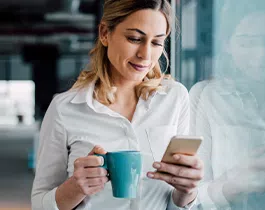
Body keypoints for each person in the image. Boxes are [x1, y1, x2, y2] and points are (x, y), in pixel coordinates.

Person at [31, 0, 204, 209]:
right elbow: (39, 204)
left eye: (157, 42)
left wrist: (188, 191)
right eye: (134, 38)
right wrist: (75, 187)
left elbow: (178, 202)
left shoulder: (175, 98)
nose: (146, 55)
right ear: (105, 33)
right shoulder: (64, 108)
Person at [190, 0, 265, 209]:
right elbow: (191, 196)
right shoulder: (206, 96)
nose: (261, 55)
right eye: (246, 43)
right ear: (227, 45)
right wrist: (235, 183)